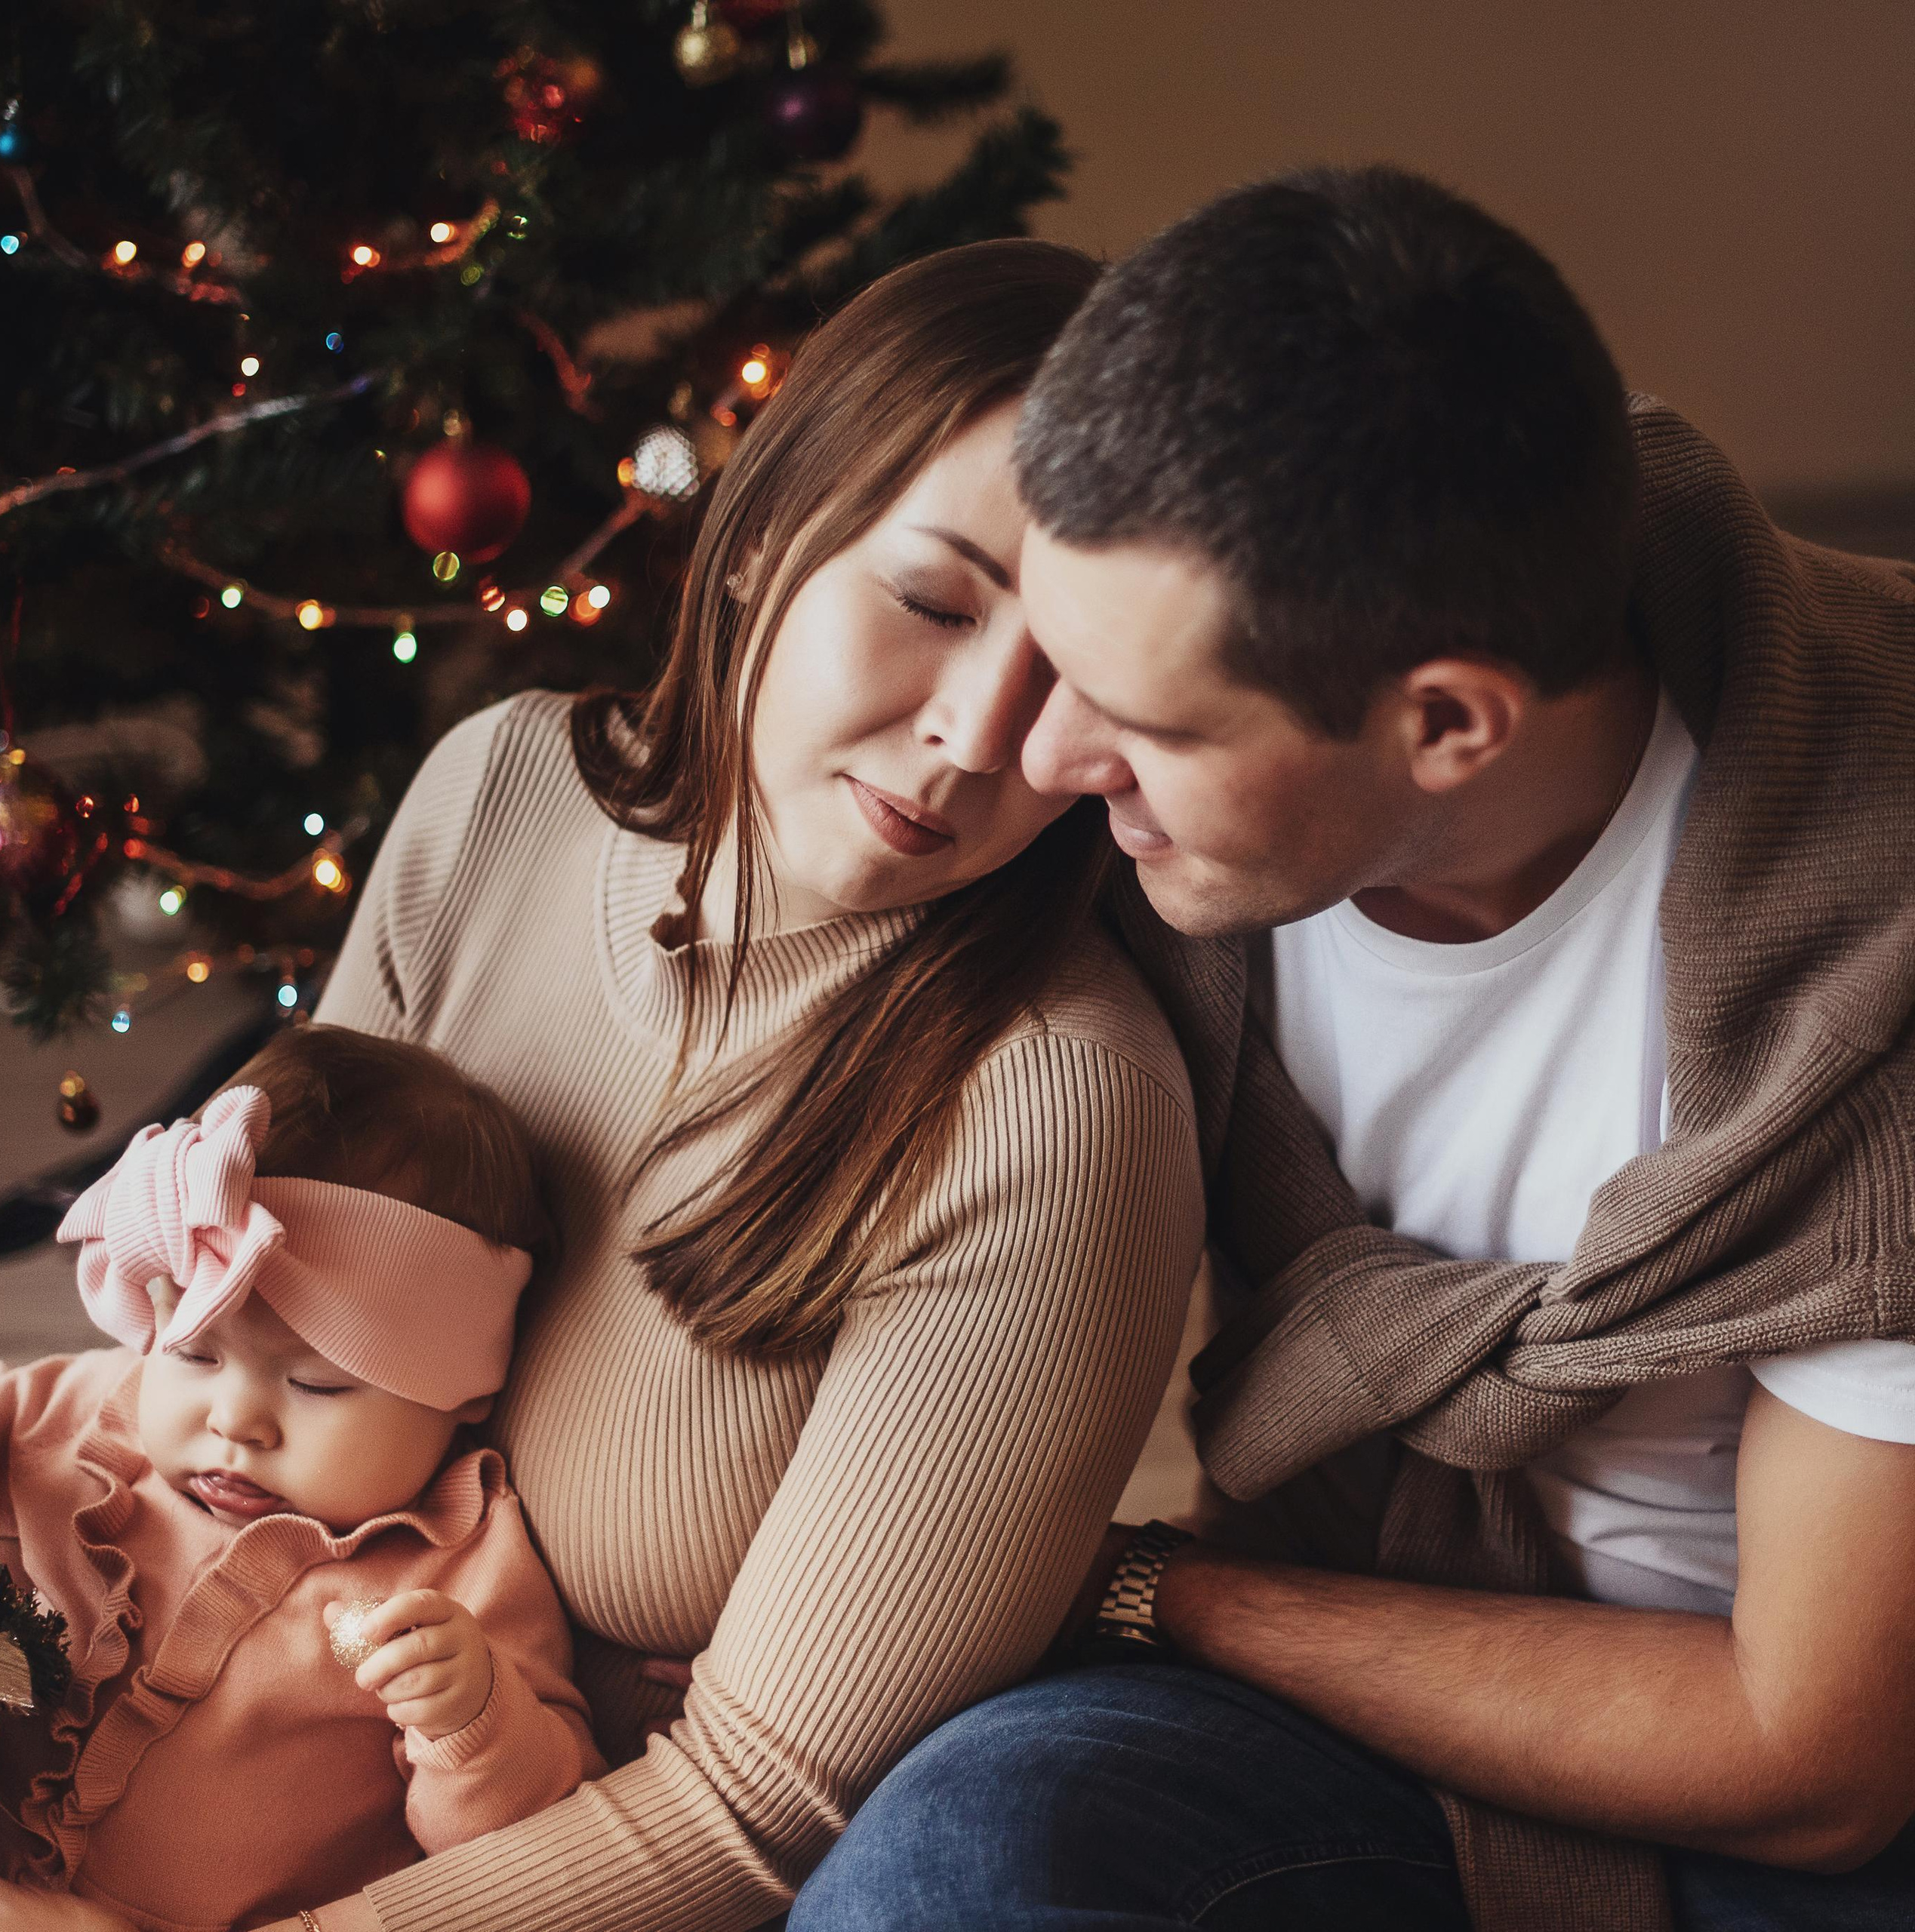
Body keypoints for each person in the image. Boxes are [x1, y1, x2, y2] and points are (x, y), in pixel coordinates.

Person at [0, 238, 1204, 1932]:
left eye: (1076, 669)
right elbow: (237, 1338)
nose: (976, 734)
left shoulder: (1049, 1104)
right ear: (761, 538)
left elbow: (756, 1806)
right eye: (931, 601)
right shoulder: (499, 791)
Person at [792, 168, 1915, 1931]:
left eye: (1146, 716)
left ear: (1446, 723)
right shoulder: (1163, 801)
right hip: (1343, 1657)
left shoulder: (1881, 967)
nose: (1045, 750)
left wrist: (1156, 1592)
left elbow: (1812, 1756)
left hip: (1804, 1775)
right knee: (956, 1854)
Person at [0, 1025, 601, 1929]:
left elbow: (520, 1860)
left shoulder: (459, 1578)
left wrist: (473, 1722)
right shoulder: (64, 1413)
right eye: (195, 1352)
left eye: (315, 1382)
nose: (236, 1418)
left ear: (459, 1391)